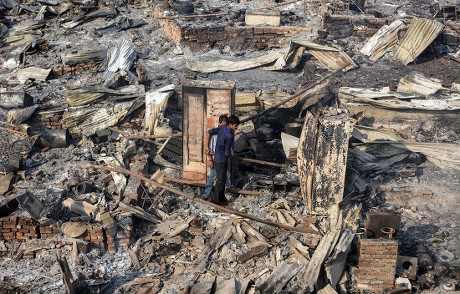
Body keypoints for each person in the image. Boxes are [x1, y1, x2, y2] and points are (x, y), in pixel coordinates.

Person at [208, 115, 240, 205]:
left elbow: (209, 132)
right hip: (222, 160)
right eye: (235, 126)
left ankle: (222, 200)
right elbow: (227, 153)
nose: (236, 128)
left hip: (217, 159)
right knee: (220, 181)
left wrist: (207, 147)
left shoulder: (222, 128)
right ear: (231, 124)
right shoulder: (230, 136)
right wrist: (232, 157)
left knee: (222, 180)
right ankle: (216, 202)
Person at [202, 115, 234, 199]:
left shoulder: (226, 132)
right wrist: (210, 160)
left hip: (223, 159)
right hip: (216, 159)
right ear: (219, 123)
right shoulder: (214, 134)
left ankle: (225, 194)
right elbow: (208, 148)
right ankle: (207, 195)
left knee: (226, 177)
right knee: (213, 177)